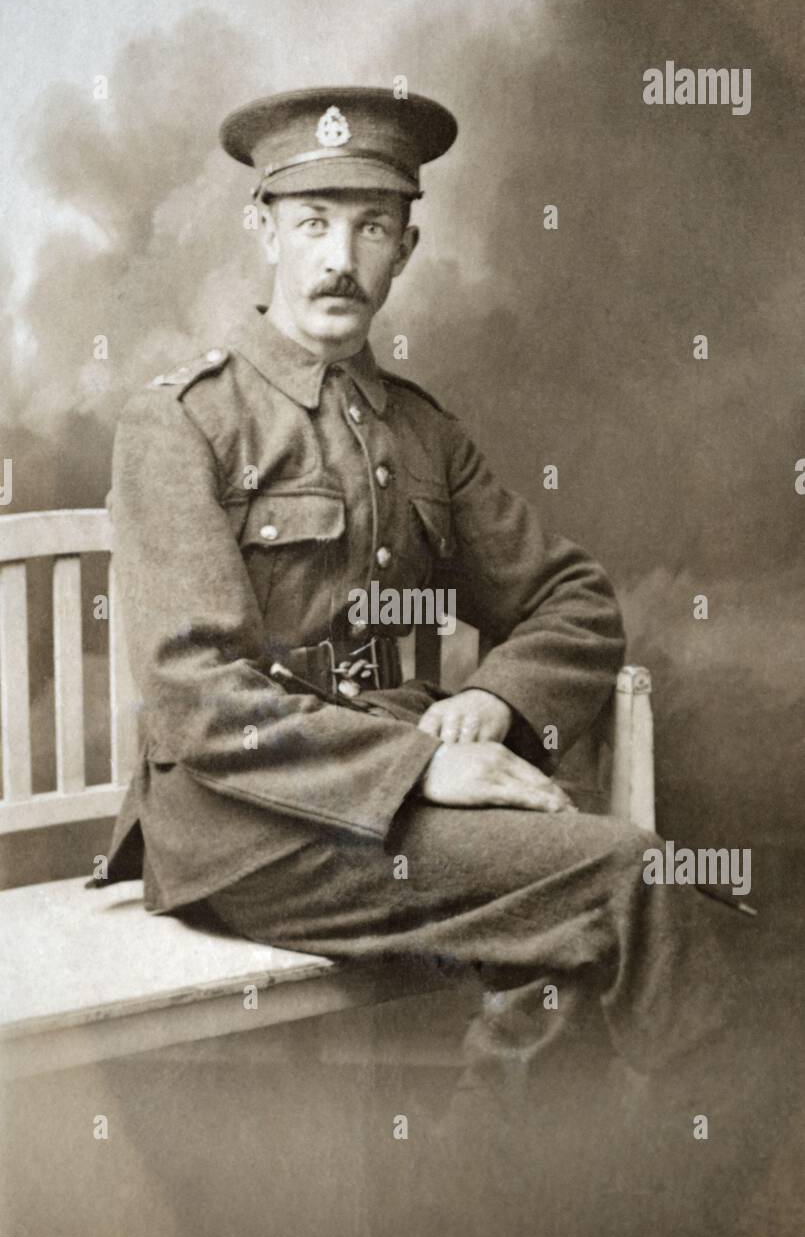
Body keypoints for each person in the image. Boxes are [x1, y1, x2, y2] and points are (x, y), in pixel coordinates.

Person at [92, 86, 753, 1127]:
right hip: (241, 828)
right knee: (625, 877)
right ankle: (717, 1179)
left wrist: (493, 700)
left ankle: (485, 1200)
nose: (338, 260)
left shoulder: (419, 433)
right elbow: (193, 698)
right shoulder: (181, 421)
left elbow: (570, 599)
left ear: (407, 243)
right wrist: (425, 763)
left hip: (391, 803)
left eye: (369, 226)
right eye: (311, 223)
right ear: (260, 229)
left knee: (584, 925)